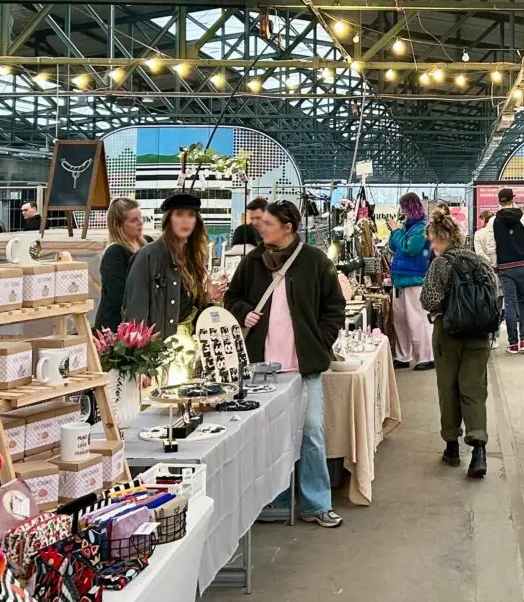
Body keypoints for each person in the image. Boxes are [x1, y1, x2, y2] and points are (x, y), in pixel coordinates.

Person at [226, 199, 346, 529]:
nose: (261, 228)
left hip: (303, 365)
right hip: (261, 367)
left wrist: (320, 341)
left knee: (312, 432)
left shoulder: (315, 260)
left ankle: (316, 503)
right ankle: (273, 500)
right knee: (268, 435)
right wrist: (243, 312)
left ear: (288, 227)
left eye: (268, 223)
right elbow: (231, 297)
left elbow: (334, 307)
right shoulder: (253, 261)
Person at [420, 207, 497, 479]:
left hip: (449, 333)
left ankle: (452, 447)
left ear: (443, 238)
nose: (432, 246)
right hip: (479, 335)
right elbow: (494, 294)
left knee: (449, 387)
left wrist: (447, 306)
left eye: (433, 241)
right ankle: (479, 451)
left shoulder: (441, 264)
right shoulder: (479, 261)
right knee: (474, 389)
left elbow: (428, 300)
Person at [122, 190, 225, 342]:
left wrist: (208, 296)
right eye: (179, 214)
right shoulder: (148, 255)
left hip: (188, 342)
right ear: (169, 219)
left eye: (191, 215)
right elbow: (135, 311)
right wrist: (141, 350)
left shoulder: (192, 258)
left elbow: (186, 309)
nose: (185, 221)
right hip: (160, 345)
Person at [387, 193, 434, 371]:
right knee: (400, 321)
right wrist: (395, 232)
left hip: (415, 279)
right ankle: (403, 356)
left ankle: (426, 357)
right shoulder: (408, 227)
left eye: (404, 208)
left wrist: (396, 231)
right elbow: (394, 247)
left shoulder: (422, 227)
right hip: (400, 279)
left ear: (410, 207)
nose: (402, 212)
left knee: (418, 320)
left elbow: (409, 248)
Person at [490, 189, 524, 355]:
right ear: (513, 199)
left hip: (505, 267)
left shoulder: (493, 221)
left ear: (499, 201)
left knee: (509, 303)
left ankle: (513, 343)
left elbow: (491, 246)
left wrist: (495, 264)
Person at [95, 197, 147, 334]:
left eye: (140, 218)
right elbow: (118, 296)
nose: (140, 223)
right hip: (116, 327)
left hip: (141, 321)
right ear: (119, 225)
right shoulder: (114, 253)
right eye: (133, 220)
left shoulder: (147, 244)